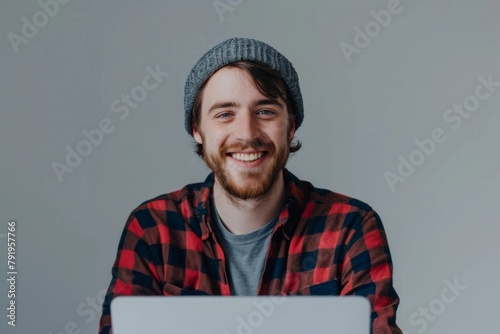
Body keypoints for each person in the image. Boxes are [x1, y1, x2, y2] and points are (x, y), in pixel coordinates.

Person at [98, 37, 403, 334]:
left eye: (265, 111)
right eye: (224, 114)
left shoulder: (350, 229)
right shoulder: (153, 229)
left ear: (291, 125)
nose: (246, 132)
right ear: (197, 130)